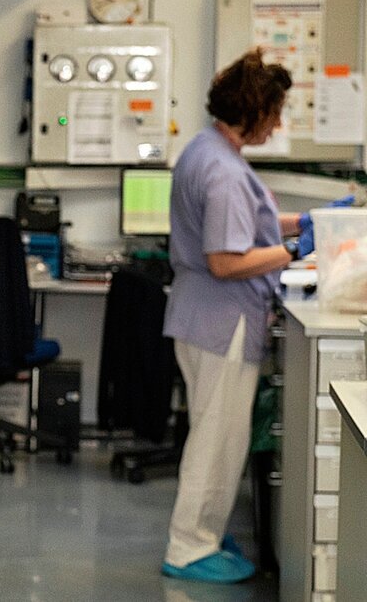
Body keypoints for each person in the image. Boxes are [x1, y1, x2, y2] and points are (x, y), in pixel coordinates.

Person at [160, 49, 307, 584]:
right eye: (276, 112)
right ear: (257, 111)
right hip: (221, 318)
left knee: (214, 432)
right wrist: (296, 250)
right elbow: (226, 261)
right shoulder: (222, 170)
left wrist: (301, 221)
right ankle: (188, 547)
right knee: (218, 438)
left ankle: (199, 533)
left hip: (202, 318)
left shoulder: (207, 150)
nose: (280, 123)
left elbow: (248, 223)